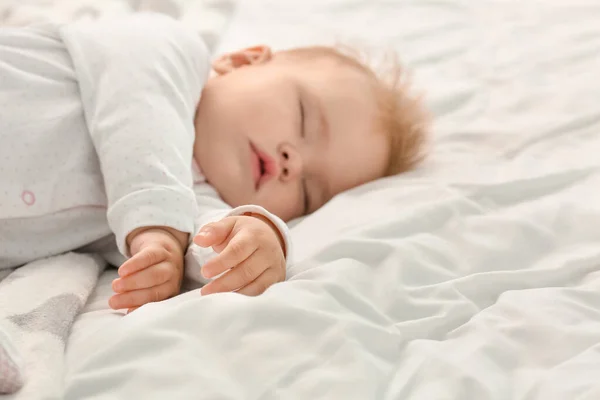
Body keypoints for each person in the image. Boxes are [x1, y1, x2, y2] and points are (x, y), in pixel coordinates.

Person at [0, 13, 427, 313]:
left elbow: (205, 248)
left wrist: (257, 238)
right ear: (242, 61)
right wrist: (159, 230)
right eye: (302, 118)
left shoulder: (185, 209)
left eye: (308, 190)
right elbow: (140, 114)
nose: (291, 163)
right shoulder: (167, 49)